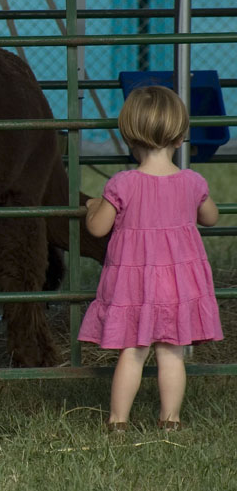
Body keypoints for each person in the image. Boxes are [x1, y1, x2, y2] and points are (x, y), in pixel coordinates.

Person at [78, 85, 222, 433]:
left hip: (136, 286)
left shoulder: (123, 184)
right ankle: (170, 420)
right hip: (177, 286)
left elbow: (98, 228)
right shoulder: (192, 181)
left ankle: (118, 422)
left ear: (129, 136)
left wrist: (91, 206)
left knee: (133, 352)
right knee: (171, 353)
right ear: (179, 138)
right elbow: (211, 217)